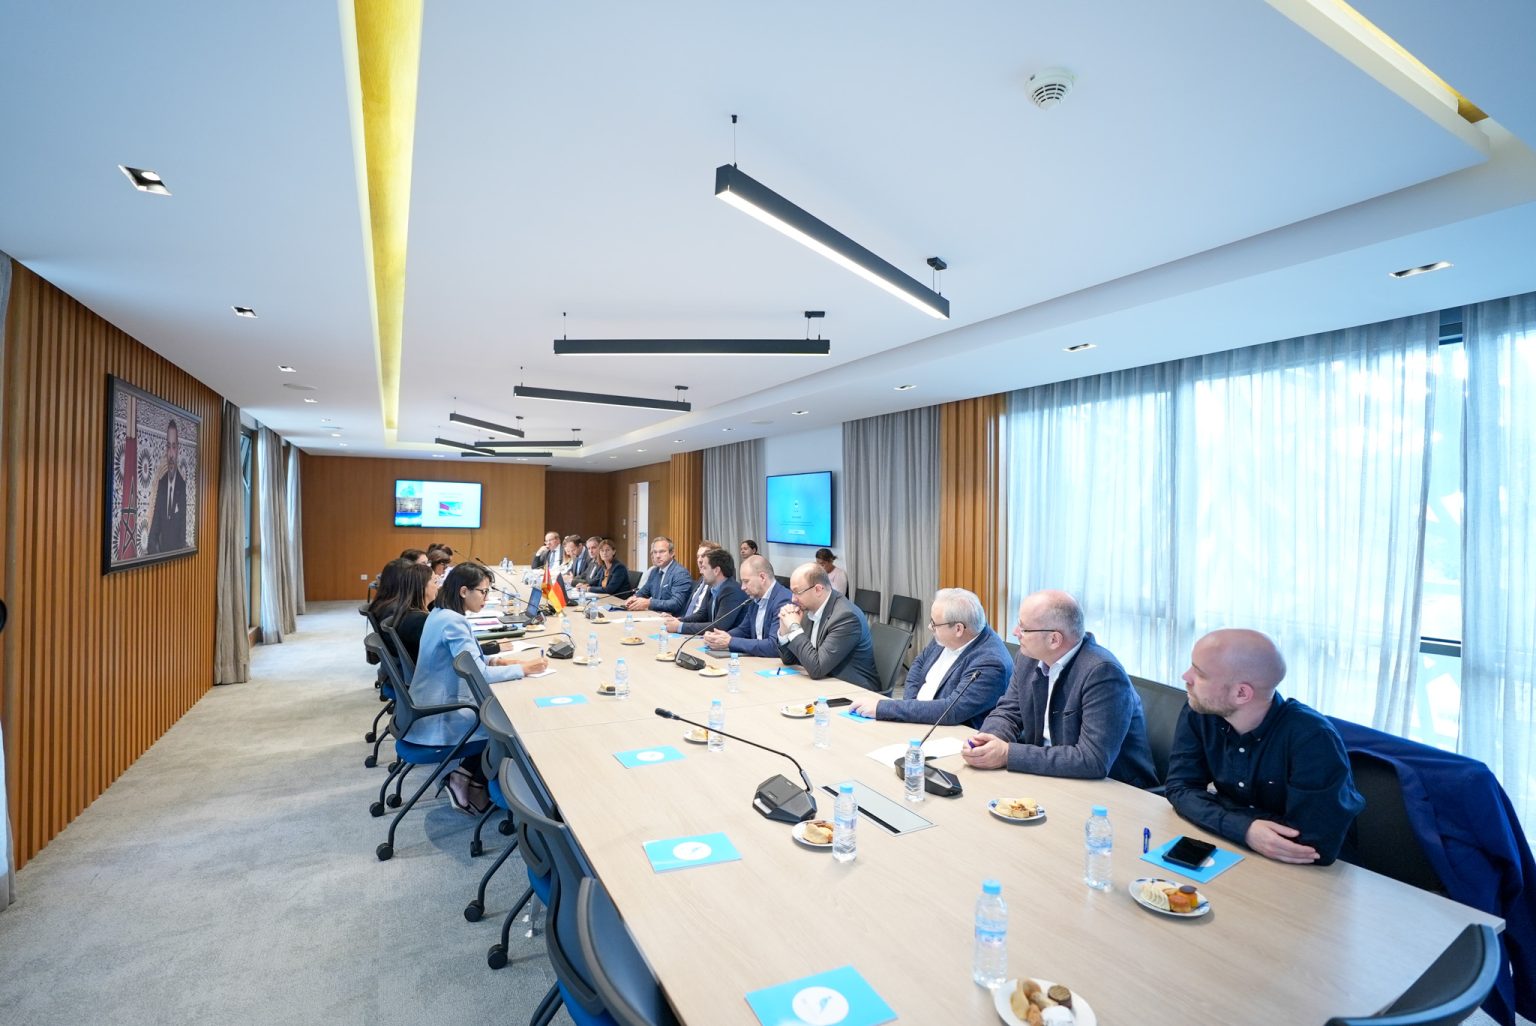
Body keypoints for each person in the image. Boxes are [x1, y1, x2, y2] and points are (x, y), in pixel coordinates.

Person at [1165, 629, 1364, 866]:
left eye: (1200, 674)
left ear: (1241, 693)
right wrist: (1245, 829)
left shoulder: (1313, 738)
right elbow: (1180, 788)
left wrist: (1218, 809)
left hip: (1312, 874)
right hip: (1240, 851)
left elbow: (1312, 845)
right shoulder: (1200, 711)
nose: (1185, 676)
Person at [962, 590, 1157, 787]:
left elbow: (1092, 760)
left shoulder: (1103, 673)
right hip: (1046, 774)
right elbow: (1008, 712)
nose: (1015, 632)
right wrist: (986, 742)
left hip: (1111, 790)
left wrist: (1007, 754)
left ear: (1054, 639)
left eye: (1024, 628)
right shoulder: (1028, 658)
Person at [410, 564, 547, 813]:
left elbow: (468, 660)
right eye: (483, 592)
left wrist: (498, 661)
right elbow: (479, 675)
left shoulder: (440, 613)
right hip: (441, 714)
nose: (486, 597)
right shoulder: (453, 622)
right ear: (464, 591)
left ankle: (469, 778)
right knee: (511, 725)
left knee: (502, 714)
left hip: (429, 704)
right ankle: (467, 779)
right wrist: (524, 669)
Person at [848, 588, 1010, 728]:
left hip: (949, 734)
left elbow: (950, 710)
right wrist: (910, 705)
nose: (929, 627)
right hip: (916, 719)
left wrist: (885, 708)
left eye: (934, 623)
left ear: (958, 629)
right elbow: (918, 664)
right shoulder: (947, 634)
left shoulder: (991, 662)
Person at [776, 562, 879, 689]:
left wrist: (794, 627)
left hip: (854, 690)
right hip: (824, 683)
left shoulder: (846, 617)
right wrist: (784, 629)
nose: (793, 599)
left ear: (818, 590)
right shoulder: (809, 609)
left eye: (797, 592)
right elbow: (789, 660)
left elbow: (817, 669)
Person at [704, 555, 793, 657]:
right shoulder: (755, 598)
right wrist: (718, 637)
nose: (742, 587)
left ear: (762, 577)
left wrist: (730, 641)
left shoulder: (783, 600)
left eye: (746, 581)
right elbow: (743, 630)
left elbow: (773, 646)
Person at [665, 549, 749, 636]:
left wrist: (680, 627)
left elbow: (719, 626)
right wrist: (678, 621)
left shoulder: (731, 590)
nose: (701, 572)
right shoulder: (712, 588)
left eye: (704, 568)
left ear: (716, 570)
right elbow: (702, 615)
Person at [146, 418, 189, 554]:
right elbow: (154, 528)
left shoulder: (182, 486)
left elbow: (182, 534)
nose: (171, 453)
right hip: (160, 557)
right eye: (168, 446)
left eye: (174, 447)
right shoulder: (162, 483)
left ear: (178, 449)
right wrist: (154, 555)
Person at [625, 536, 693, 614]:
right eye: (655, 552)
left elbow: (676, 603)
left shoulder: (680, 573)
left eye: (662, 552)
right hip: (655, 615)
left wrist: (649, 603)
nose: (657, 556)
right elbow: (644, 592)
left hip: (672, 618)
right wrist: (634, 598)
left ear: (672, 553)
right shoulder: (655, 571)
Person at [677, 541, 724, 621]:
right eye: (698, 556)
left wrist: (681, 623)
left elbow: (703, 615)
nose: (699, 560)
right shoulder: (699, 581)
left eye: (703, 556)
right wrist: (676, 619)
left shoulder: (717, 584)